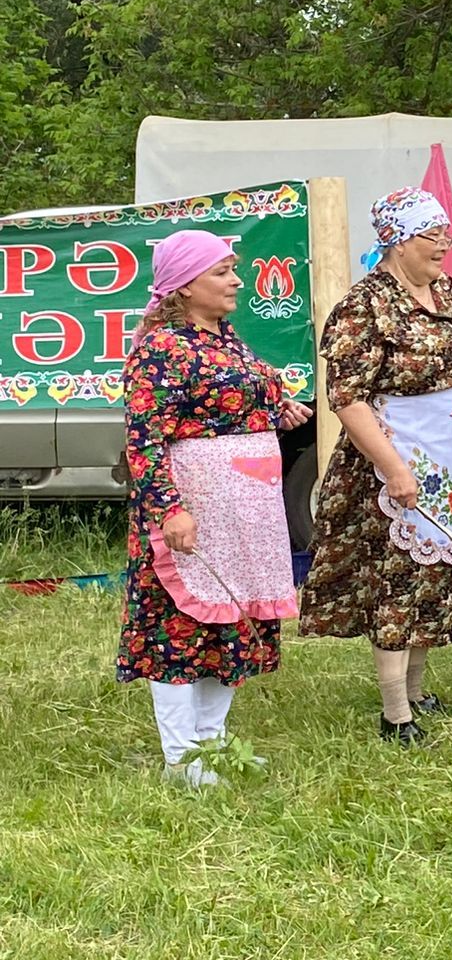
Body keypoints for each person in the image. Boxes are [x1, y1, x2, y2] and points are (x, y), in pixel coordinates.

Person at [117, 230, 311, 788]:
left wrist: (279, 405)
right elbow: (145, 439)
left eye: (233, 269)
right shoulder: (163, 349)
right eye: (223, 271)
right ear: (185, 284)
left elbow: (249, 390)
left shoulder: (224, 339)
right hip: (193, 507)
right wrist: (169, 510)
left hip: (243, 512)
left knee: (230, 623)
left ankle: (212, 746)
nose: (237, 280)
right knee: (178, 630)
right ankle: (182, 759)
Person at [300, 187, 452, 744]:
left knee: (436, 575)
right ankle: (395, 714)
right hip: (394, 461)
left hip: (451, 457)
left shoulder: (448, 292)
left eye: (445, 236)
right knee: (398, 580)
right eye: (433, 237)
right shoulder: (364, 306)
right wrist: (394, 468)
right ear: (398, 241)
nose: (444, 248)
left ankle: (417, 690)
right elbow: (349, 398)